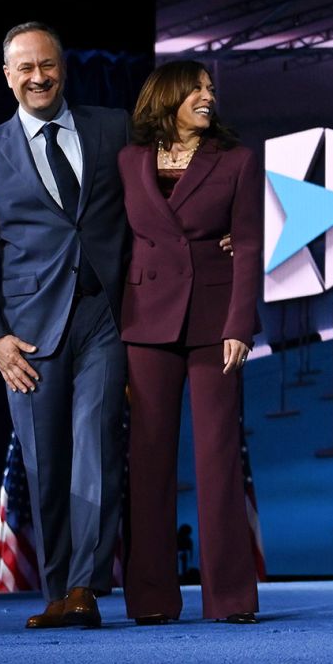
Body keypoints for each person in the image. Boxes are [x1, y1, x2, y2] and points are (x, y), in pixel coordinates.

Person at [0, 22, 129, 628]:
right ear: (7, 76)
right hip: (28, 337)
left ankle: (84, 586)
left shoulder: (113, 128)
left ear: (63, 67)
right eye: (25, 68)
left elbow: (157, 207)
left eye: (47, 65)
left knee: (97, 445)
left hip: (104, 316)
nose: (38, 77)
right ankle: (59, 591)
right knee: (47, 465)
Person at [119, 60, 262, 625]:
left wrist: (239, 326)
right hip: (145, 323)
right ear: (168, 97)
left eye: (210, 88)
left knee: (217, 460)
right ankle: (152, 599)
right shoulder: (130, 162)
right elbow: (116, 235)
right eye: (196, 89)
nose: (208, 96)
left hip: (213, 324)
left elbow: (248, 246)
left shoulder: (238, 161)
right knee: (148, 462)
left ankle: (228, 599)